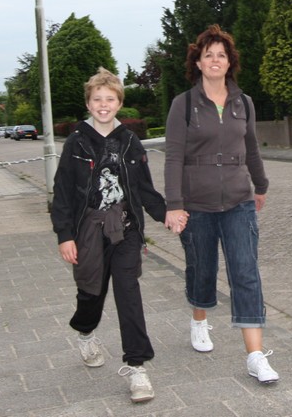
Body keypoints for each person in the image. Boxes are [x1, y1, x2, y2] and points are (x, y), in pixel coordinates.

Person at [163, 24, 278, 384]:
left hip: (239, 201)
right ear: (197, 63)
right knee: (203, 269)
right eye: (208, 54)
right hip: (196, 203)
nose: (215, 60)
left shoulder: (244, 103)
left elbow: (252, 147)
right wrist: (174, 204)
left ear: (230, 63)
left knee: (245, 272)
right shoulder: (183, 104)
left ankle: (255, 356)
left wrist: (260, 184)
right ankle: (199, 320)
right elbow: (173, 156)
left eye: (221, 55)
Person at [51, 67, 169, 403]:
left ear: (119, 103)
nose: (104, 105)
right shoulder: (76, 142)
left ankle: (137, 367)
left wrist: (166, 214)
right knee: (92, 294)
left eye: (110, 99)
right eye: (97, 99)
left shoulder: (130, 141)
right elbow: (62, 193)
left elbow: (144, 188)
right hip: (89, 232)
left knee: (128, 292)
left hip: (126, 230)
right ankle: (85, 332)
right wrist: (65, 235)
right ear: (88, 104)